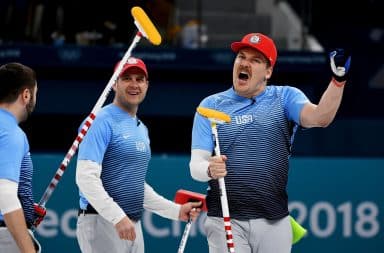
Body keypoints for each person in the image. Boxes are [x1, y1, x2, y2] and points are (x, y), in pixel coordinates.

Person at [189, 33, 351, 253]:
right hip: (226, 218)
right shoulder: (210, 105)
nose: (244, 63)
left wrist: (337, 80)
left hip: (275, 221)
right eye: (241, 57)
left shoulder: (285, 98)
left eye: (255, 60)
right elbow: (195, 166)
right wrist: (209, 168)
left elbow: (320, 118)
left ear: (268, 71)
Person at [75, 57, 202, 253]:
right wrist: (117, 217)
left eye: (139, 79)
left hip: (132, 224)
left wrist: (175, 211)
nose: (134, 84)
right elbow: (85, 178)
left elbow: (134, 186)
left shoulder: (141, 129)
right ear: (114, 84)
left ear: (147, 85)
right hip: (102, 221)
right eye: (127, 78)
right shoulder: (99, 121)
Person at [0, 62, 42, 253]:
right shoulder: (11, 133)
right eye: (35, 93)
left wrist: (25, 209)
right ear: (26, 95)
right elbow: (5, 195)